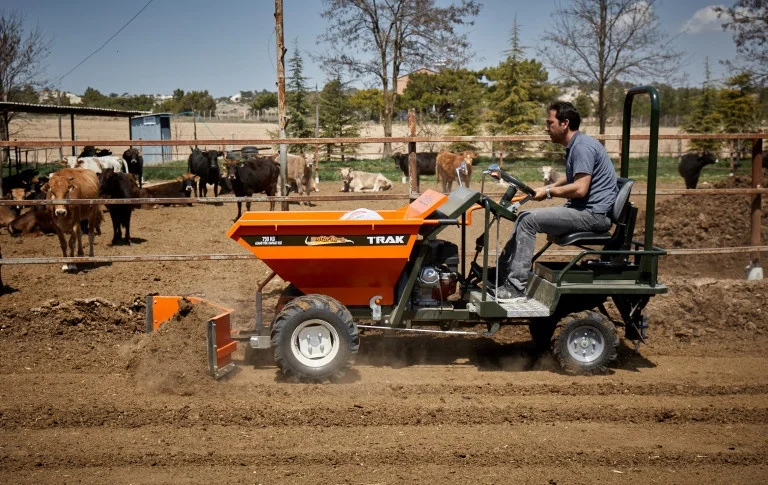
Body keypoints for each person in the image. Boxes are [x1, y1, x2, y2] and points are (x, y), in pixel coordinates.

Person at [491, 101, 618, 300]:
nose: (546, 128)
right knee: (524, 216)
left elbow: (580, 188)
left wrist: (549, 193)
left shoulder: (582, 147)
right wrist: (546, 188)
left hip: (593, 215)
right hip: (588, 211)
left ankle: (515, 287)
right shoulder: (577, 144)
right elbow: (570, 178)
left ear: (564, 123)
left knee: (528, 220)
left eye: (550, 123)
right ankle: (501, 275)